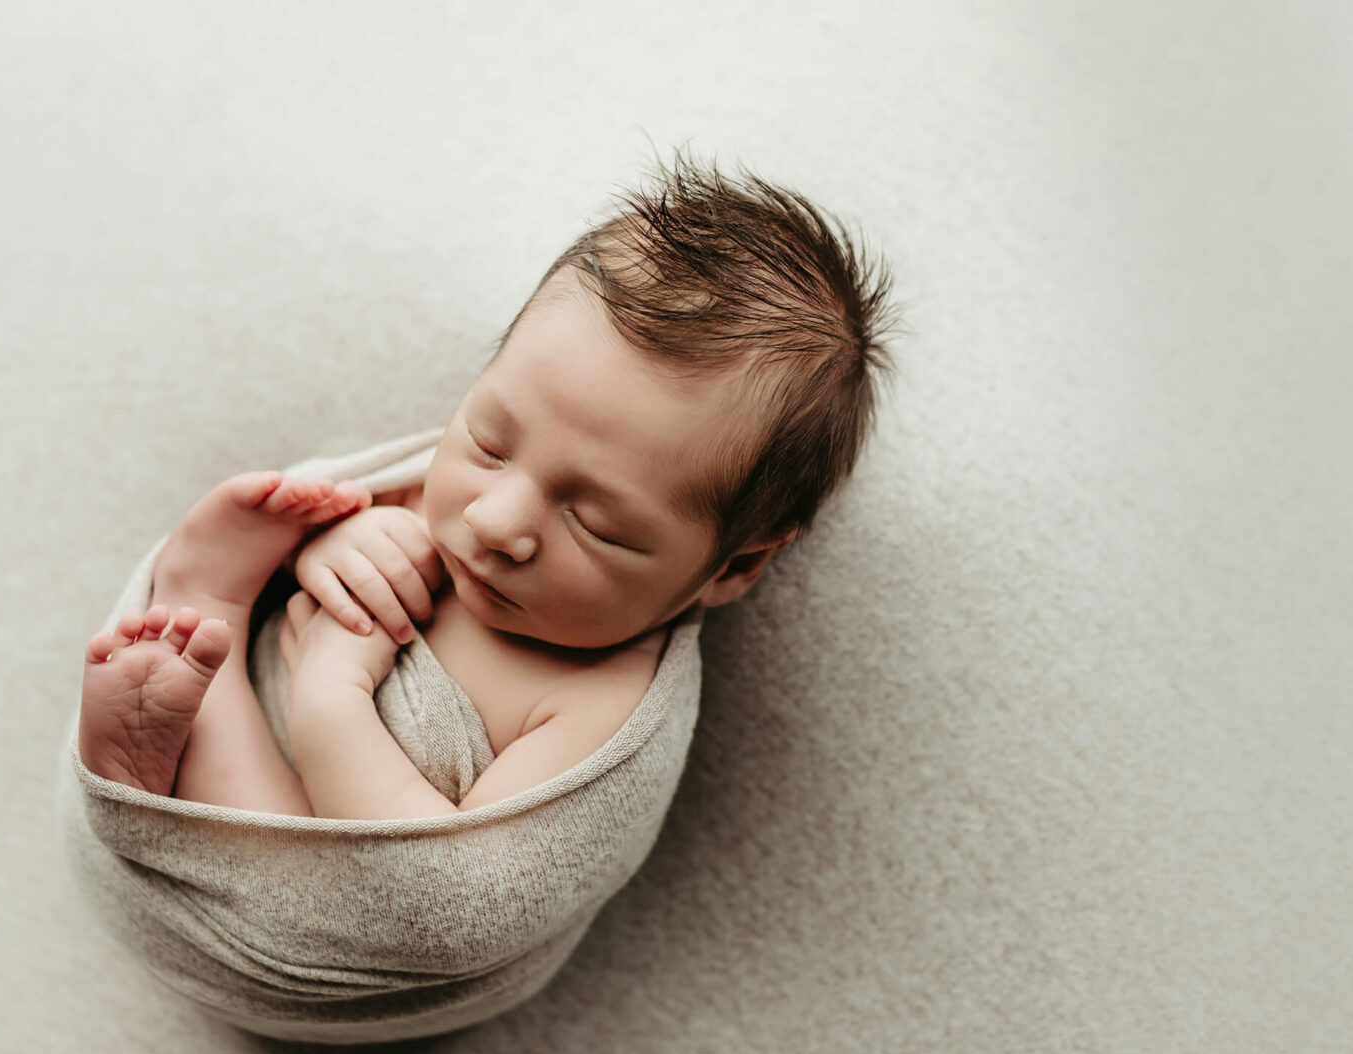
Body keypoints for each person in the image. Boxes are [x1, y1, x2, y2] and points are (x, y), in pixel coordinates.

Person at [75, 148, 894, 818]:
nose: (495, 519)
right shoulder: (440, 503)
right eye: (489, 441)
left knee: (292, 835)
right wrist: (338, 541)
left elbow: (435, 891)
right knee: (249, 591)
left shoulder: (599, 706)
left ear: (737, 565)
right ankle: (192, 667)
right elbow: (355, 515)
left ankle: (198, 630)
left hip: (323, 897)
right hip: (246, 702)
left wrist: (331, 691)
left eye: (598, 523)